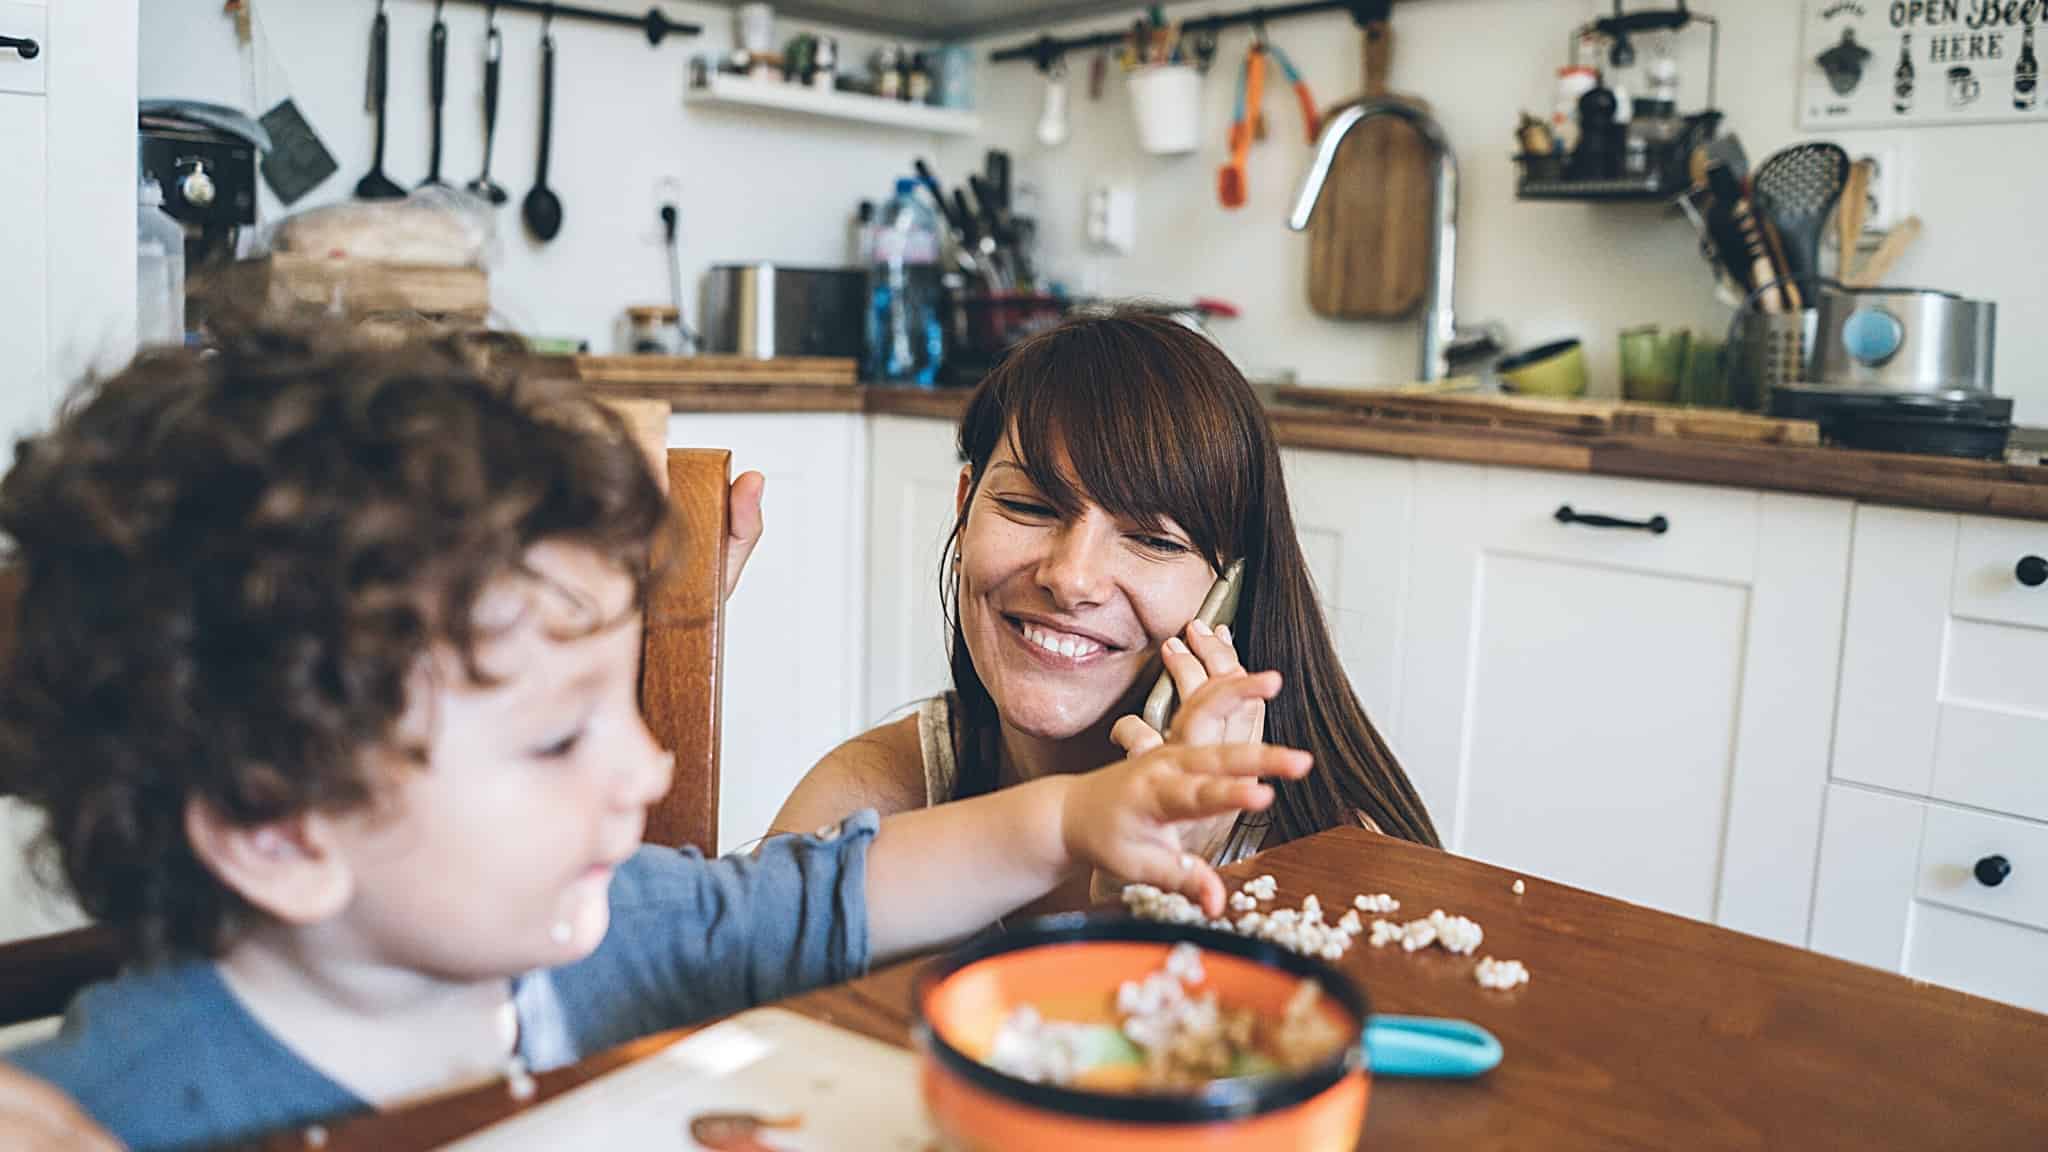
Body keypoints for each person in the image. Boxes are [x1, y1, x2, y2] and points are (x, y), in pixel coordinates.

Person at [0, 321, 1306, 1150]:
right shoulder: (104, 1107)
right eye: (559, 742)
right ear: (280, 831)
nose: (652, 768)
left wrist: (1082, 820)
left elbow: (839, 889)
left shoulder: (613, 932)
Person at [774, 309, 1438, 909]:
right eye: (1030, 507)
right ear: (964, 508)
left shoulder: (1340, 867)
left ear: (1230, 590)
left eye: (1154, 540)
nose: (1072, 577)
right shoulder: (870, 799)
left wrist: (1156, 905)